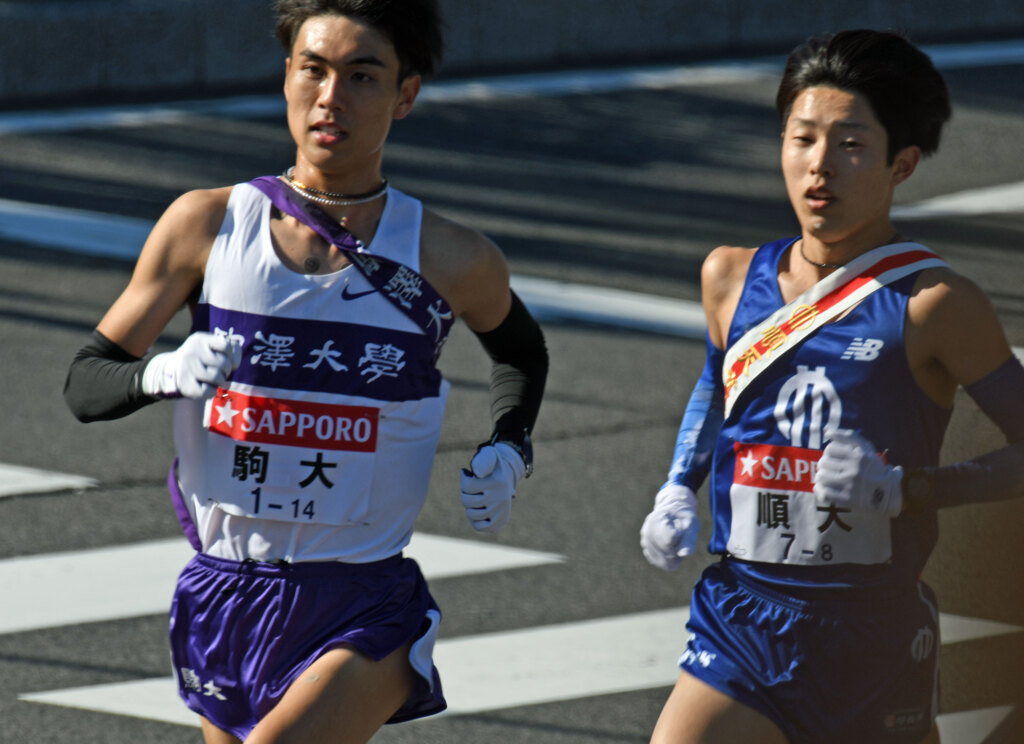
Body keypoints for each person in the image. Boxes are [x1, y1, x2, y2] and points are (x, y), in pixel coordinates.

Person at [63, 1, 548, 742]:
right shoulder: (207, 225)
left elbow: (518, 348)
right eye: (313, 70)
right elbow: (86, 382)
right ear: (287, 76)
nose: (331, 97)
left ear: (406, 95)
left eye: (362, 76)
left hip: (361, 600)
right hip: (224, 587)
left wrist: (511, 442)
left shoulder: (448, 255)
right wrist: (158, 374)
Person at [640, 29, 1024, 744]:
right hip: (742, 620)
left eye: (850, 145)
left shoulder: (933, 303)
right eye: (802, 138)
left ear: (900, 163)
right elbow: (719, 384)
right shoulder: (728, 277)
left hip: (872, 637)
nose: (820, 167)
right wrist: (676, 485)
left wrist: (910, 489)